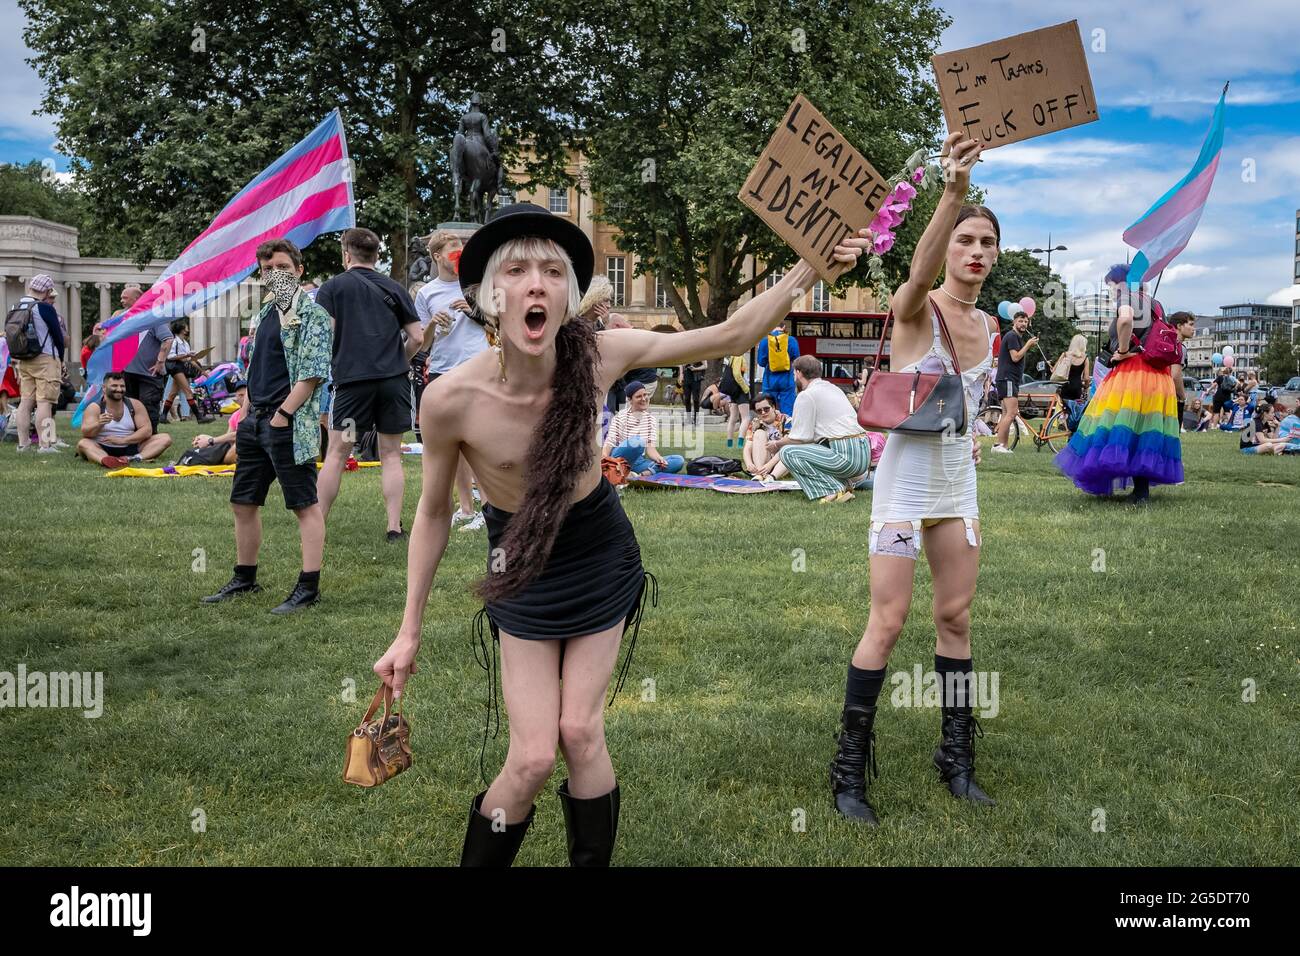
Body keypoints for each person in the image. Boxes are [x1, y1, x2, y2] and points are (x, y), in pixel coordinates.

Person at [371, 201, 867, 866]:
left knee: (580, 731)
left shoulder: (600, 356)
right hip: (519, 564)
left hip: (597, 554)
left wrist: (809, 268)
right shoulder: (450, 400)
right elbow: (433, 512)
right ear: (490, 294)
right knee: (531, 759)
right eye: (517, 269)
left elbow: (731, 333)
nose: (536, 283)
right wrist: (408, 629)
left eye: (552, 270)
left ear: (570, 296)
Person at [829, 133, 999, 825]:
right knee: (888, 622)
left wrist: (980, 434)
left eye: (987, 242)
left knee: (955, 618)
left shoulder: (989, 324)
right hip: (901, 490)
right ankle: (848, 773)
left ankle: (955, 758)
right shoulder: (915, 310)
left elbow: (973, 407)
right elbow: (918, 275)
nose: (977, 252)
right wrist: (953, 189)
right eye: (966, 241)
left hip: (957, 488)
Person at [201, 239, 332, 614]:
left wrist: (283, 416)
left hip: (286, 422)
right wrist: (245, 412)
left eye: (282, 268)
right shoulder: (263, 315)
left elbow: (311, 375)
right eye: (267, 269)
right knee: (243, 502)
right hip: (253, 420)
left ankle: (308, 588)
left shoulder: (313, 316)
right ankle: (245, 578)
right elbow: (254, 367)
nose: (275, 275)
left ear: (299, 270)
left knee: (304, 505)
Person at [315, 227, 423, 542]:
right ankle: (393, 527)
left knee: (337, 453)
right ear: (377, 256)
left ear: (346, 254)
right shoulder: (396, 288)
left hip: (352, 385)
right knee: (391, 454)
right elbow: (416, 337)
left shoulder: (332, 288)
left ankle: (317, 523)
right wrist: (397, 360)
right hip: (393, 384)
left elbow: (326, 336)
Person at [1055, 294, 1184, 501]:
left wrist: (1123, 351)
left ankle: (1114, 482)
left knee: (1117, 426)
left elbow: (1125, 320)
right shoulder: (1156, 305)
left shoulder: (1128, 297)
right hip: (1159, 376)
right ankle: (1141, 491)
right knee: (1146, 430)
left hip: (1133, 373)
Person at [414, 229, 489, 531]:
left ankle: (488, 506)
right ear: (436, 256)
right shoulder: (426, 293)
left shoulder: (474, 285)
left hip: (477, 367)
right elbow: (422, 342)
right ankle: (467, 509)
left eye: (461, 249)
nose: (459, 254)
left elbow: (497, 321)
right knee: (453, 443)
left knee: (480, 441)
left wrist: (472, 311)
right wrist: (432, 323)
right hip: (443, 370)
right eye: (453, 250)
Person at [757, 356, 874, 503]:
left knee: (788, 452)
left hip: (845, 455)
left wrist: (777, 444)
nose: (794, 377)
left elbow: (799, 438)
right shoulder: (833, 388)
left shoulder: (806, 395)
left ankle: (833, 489)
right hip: (863, 454)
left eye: (794, 374)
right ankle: (843, 486)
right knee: (813, 447)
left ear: (799, 373)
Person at [11, 274, 66, 454]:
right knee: (45, 402)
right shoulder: (43, 307)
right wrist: (61, 359)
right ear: (47, 290)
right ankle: (45, 445)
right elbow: (58, 336)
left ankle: (23, 443)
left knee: (25, 402)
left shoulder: (16, 306)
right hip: (45, 358)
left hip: (24, 359)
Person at [76, 370, 173, 467]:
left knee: (165, 438)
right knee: (83, 443)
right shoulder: (94, 407)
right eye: (114, 386)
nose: (119, 389)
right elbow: (86, 433)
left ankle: (134, 458)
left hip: (130, 446)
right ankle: (107, 460)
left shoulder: (135, 404)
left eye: (122, 386)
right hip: (102, 447)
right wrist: (99, 423)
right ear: (104, 388)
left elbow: (147, 430)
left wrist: (123, 440)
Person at [602, 380, 685, 475]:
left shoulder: (651, 420)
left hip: (639, 463)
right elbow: (610, 441)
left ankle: (645, 473)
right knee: (638, 441)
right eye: (638, 396)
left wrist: (659, 459)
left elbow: (650, 448)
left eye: (645, 395)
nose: (644, 399)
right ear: (630, 400)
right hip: (620, 457)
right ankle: (617, 469)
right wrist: (604, 457)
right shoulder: (620, 416)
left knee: (678, 460)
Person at [121, 296, 175, 434]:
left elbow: (167, 339)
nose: (121, 300)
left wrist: (160, 362)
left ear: (137, 299)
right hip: (129, 373)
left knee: (148, 405)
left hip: (149, 374)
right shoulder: (127, 319)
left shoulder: (154, 318)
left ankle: (151, 437)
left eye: (125, 297)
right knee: (130, 407)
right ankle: (133, 437)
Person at [991, 309, 1035, 453]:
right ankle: (999, 445)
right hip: (1007, 378)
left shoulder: (1016, 337)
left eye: (1025, 321)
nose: (1023, 324)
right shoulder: (1012, 336)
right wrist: (1028, 345)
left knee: (1005, 414)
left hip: (1008, 379)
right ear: (1014, 322)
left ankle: (1001, 446)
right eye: (1020, 321)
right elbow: (1015, 357)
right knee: (1012, 412)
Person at [161, 319, 213, 424]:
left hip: (181, 368)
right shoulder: (174, 341)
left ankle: (163, 416)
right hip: (176, 368)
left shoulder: (185, 343)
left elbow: (190, 360)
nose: (187, 329)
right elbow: (170, 357)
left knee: (172, 393)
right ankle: (199, 417)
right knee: (188, 391)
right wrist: (187, 355)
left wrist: (201, 371)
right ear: (182, 330)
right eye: (186, 327)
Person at [742, 393, 791, 478]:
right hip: (762, 460)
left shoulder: (787, 421)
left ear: (774, 407)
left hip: (780, 462)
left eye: (766, 409)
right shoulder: (755, 423)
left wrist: (769, 465)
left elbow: (787, 447)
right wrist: (749, 463)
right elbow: (748, 447)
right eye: (759, 411)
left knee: (788, 447)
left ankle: (764, 474)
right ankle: (760, 473)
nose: (763, 412)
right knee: (759, 433)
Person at [757, 318, 799, 416]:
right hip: (787, 378)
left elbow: (761, 362)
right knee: (787, 409)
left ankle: (771, 429)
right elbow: (797, 360)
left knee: (768, 407)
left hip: (769, 378)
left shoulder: (764, 341)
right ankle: (787, 429)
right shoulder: (791, 340)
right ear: (783, 327)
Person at [1166, 312, 1196, 433]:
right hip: (1171, 396)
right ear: (1179, 326)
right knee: (1172, 434)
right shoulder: (1179, 347)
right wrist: (1183, 396)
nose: (1194, 329)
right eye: (1191, 324)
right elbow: (1175, 375)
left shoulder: (1165, 342)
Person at [718, 351, 751, 448]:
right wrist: (746, 388)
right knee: (746, 417)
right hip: (740, 389)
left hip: (733, 390)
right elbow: (737, 374)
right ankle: (740, 443)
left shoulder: (732, 357)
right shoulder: (738, 356)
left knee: (733, 417)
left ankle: (729, 443)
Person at [1053, 334, 1090, 403]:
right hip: (1077, 387)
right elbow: (1086, 378)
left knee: (1064, 409)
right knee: (1075, 410)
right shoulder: (1085, 358)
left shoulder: (1065, 355)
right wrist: (1086, 387)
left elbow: (1054, 370)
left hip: (1064, 386)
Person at [680, 357, 707, 425]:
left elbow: (705, 366)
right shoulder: (686, 352)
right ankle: (688, 419)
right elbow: (680, 363)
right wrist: (681, 374)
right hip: (686, 376)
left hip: (696, 377)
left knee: (695, 399)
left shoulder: (700, 353)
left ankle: (696, 419)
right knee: (687, 399)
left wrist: (695, 369)